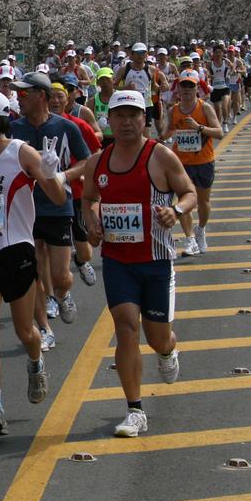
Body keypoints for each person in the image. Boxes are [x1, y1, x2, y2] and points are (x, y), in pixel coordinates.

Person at [82, 90, 195, 437]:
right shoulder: (97, 162)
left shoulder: (160, 156)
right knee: (126, 326)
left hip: (156, 261)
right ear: (109, 120)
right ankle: (135, 410)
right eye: (120, 115)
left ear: (144, 119)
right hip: (118, 261)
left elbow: (189, 192)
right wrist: (93, 222)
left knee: (157, 338)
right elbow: (89, 199)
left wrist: (175, 211)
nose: (127, 122)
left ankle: (167, 351)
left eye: (134, 115)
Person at [0, 89, 69, 436]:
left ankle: (36, 362)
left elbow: (58, 198)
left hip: (16, 252)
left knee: (25, 332)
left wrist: (50, 172)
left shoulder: (21, 152)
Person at [9, 73, 91, 350]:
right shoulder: (13, 129)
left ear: (41, 96)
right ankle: (44, 328)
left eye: (24, 93)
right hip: (25, 210)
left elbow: (87, 161)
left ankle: (62, 294)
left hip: (58, 206)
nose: (19, 98)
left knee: (60, 276)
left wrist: (63, 176)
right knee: (33, 272)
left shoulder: (66, 127)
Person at [162, 70, 222, 256]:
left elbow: (219, 132)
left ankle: (200, 230)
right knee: (183, 201)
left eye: (191, 86)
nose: (187, 89)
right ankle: (189, 240)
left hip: (204, 160)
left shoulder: (205, 108)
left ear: (197, 88)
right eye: (184, 85)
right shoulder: (173, 110)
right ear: (178, 88)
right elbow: (169, 131)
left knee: (203, 202)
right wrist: (159, 138)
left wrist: (199, 127)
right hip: (181, 163)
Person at [48, 82, 101, 289]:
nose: (55, 101)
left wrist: (87, 174)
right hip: (48, 197)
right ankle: (54, 294)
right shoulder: (36, 126)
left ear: (68, 99)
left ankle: (80, 261)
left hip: (77, 193)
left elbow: (96, 152)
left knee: (85, 251)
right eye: (51, 96)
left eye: (60, 96)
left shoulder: (77, 125)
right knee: (44, 252)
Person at [116, 43, 164, 139]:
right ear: (132, 54)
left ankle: (146, 149)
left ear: (146, 54)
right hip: (130, 103)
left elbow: (153, 86)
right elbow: (114, 86)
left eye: (143, 53)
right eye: (138, 53)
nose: (140, 55)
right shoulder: (124, 69)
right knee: (132, 132)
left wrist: (161, 87)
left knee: (146, 134)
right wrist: (126, 88)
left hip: (146, 104)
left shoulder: (151, 69)